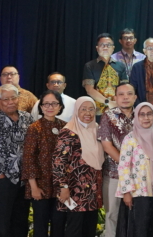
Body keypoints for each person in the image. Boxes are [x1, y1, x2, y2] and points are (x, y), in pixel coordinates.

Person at [0, 84, 32, 237]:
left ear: (18, 98)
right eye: (6, 99)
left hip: (24, 180)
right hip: (3, 181)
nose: (10, 102)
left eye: (13, 98)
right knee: (1, 223)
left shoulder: (28, 118)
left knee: (21, 221)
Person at [53, 97, 104, 237]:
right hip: (75, 190)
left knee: (89, 227)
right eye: (83, 109)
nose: (87, 113)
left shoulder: (97, 130)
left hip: (92, 190)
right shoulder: (68, 132)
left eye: (91, 109)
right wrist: (63, 187)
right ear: (76, 111)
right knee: (74, 228)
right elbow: (58, 162)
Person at [117, 103, 153, 237]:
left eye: (149, 114)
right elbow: (124, 167)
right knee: (140, 228)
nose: (146, 118)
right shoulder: (130, 138)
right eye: (142, 114)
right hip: (138, 192)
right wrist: (127, 192)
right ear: (136, 116)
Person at [23, 91, 68, 237]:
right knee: (40, 227)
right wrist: (34, 187)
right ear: (41, 107)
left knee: (59, 225)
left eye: (54, 103)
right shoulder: (34, 127)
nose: (50, 107)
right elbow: (29, 158)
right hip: (40, 186)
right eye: (46, 104)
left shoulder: (65, 127)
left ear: (60, 106)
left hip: (60, 186)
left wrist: (65, 186)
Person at [97, 83, 137, 237]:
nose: (125, 97)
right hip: (113, 174)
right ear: (115, 97)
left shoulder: (142, 115)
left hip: (138, 175)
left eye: (129, 94)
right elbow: (107, 146)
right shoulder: (108, 116)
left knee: (135, 215)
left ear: (135, 97)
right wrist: (127, 166)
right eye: (121, 94)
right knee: (112, 215)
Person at [83, 35, 129, 110]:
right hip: (95, 109)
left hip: (117, 107)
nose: (105, 47)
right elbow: (89, 90)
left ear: (113, 48)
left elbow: (124, 88)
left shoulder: (121, 66)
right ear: (97, 48)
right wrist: (108, 102)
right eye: (102, 45)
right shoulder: (90, 66)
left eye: (108, 45)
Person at [129, 39, 153, 123]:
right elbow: (132, 90)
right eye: (149, 48)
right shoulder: (137, 67)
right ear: (144, 51)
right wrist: (142, 107)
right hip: (141, 112)